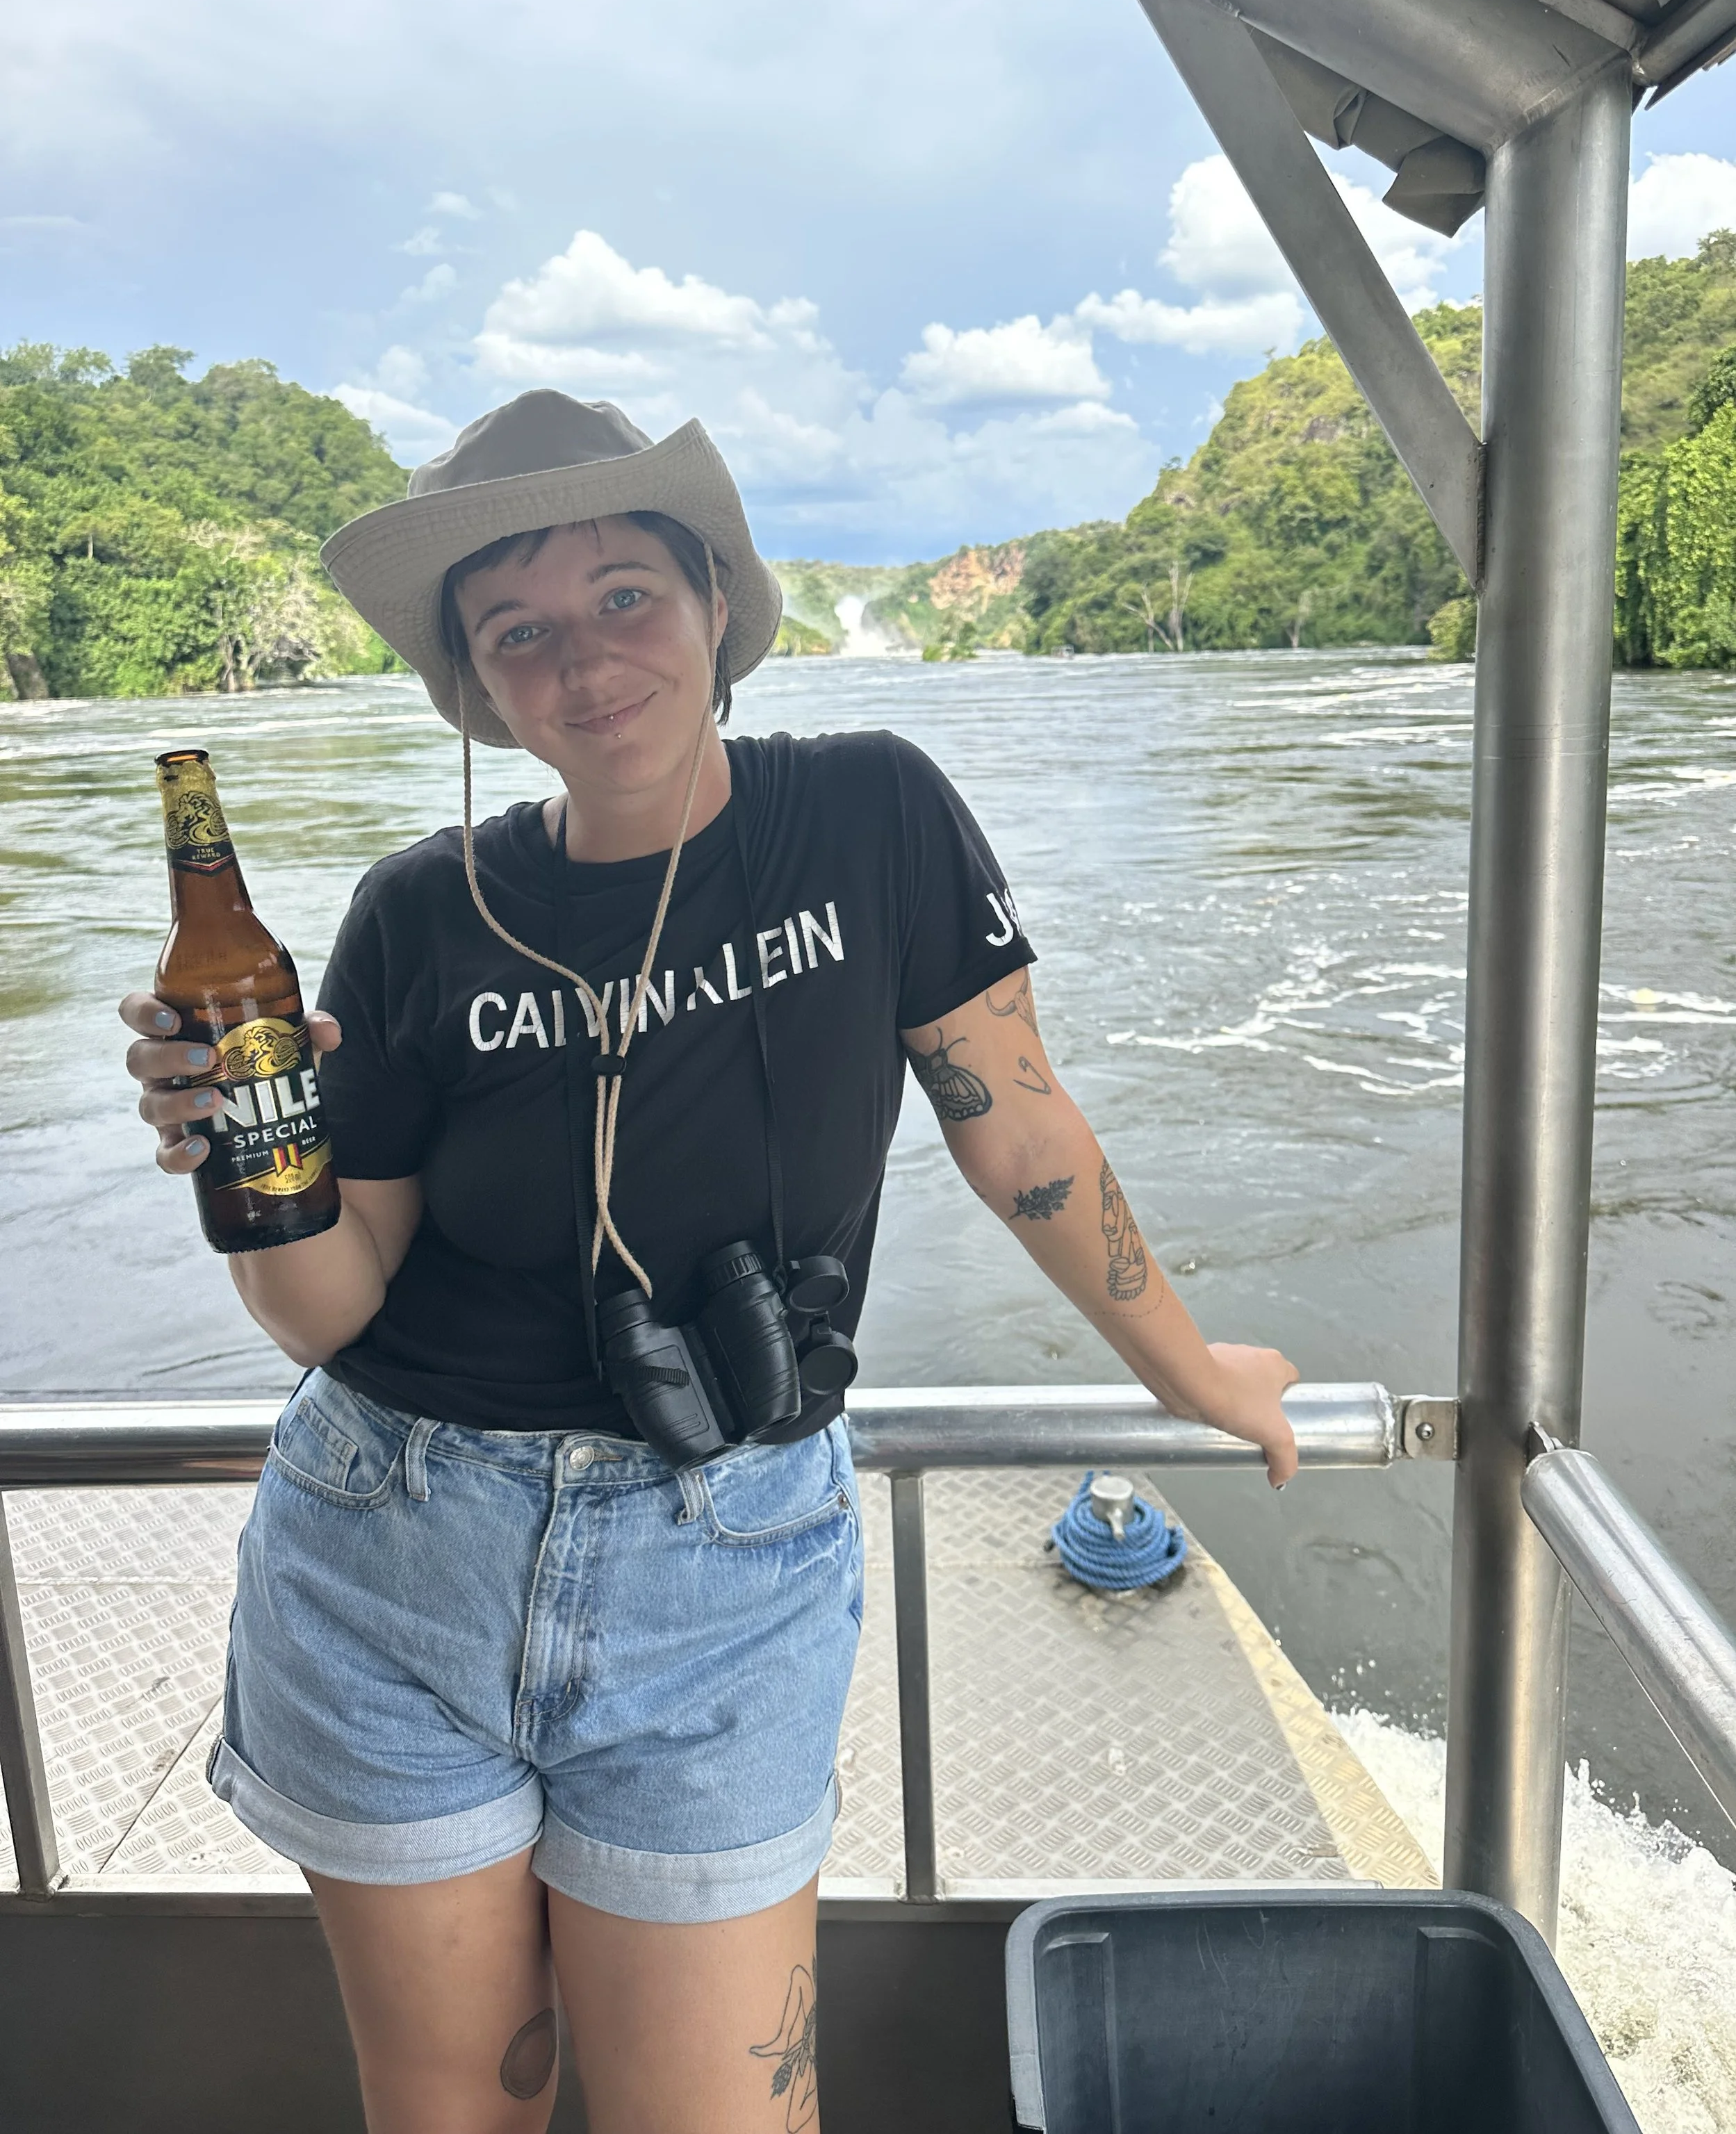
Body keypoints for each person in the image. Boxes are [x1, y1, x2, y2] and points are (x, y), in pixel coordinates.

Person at [118, 392, 1299, 2134]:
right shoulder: (417, 912)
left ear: (714, 604)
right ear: (480, 689)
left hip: (720, 1561)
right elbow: (330, 1301)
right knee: (454, 2110)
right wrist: (241, 1167)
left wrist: (1191, 1373)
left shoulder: (870, 815)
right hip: (390, 1549)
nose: (582, 660)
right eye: (517, 631)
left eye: (622, 597)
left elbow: (1019, 1126)